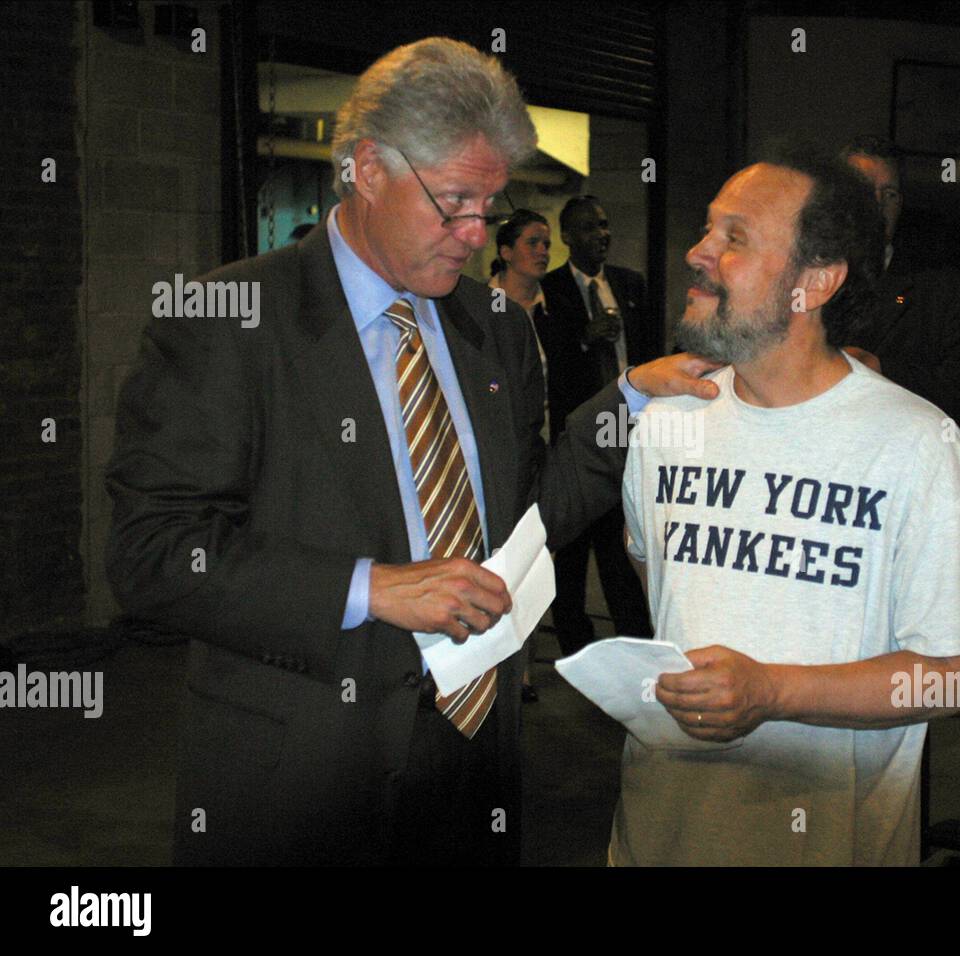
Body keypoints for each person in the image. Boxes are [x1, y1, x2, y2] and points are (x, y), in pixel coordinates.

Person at [105, 37, 716, 866]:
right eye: (454, 202)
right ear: (365, 168)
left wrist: (631, 400)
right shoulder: (229, 319)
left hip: (473, 763)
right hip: (302, 770)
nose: (475, 235)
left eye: (490, 207)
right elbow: (154, 556)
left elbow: (528, 516)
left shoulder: (493, 328)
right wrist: (371, 587)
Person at [612, 146, 960, 866]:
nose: (698, 253)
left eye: (734, 238)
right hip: (657, 837)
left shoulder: (916, 446)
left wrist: (774, 691)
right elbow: (660, 595)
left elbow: (953, 673)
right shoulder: (665, 425)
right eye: (709, 231)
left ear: (815, 282)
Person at [541, 196, 660, 654]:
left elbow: (650, 351)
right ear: (568, 236)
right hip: (578, 435)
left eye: (606, 225)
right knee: (571, 550)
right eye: (590, 228)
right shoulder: (550, 290)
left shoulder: (630, 284)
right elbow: (548, 355)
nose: (602, 235)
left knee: (622, 540)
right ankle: (574, 643)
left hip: (628, 430)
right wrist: (582, 338)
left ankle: (634, 641)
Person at [842, 138, 960, 448]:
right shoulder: (792, 282)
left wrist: (882, 371)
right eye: (865, 191)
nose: (878, 205)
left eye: (890, 194)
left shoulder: (942, 290)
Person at [489, 209, 553, 703]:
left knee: (533, 558)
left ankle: (524, 669)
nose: (542, 251)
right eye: (531, 242)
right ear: (506, 251)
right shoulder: (479, 309)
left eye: (546, 243)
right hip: (500, 453)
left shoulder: (554, 310)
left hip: (543, 449)